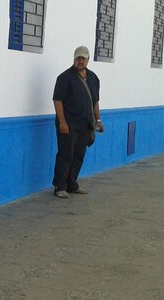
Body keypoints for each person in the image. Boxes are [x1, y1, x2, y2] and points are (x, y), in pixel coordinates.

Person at [52, 45, 104, 199]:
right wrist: (62, 122)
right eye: (77, 58)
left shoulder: (94, 78)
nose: (80, 61)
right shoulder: (65, 77)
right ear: (74, 59)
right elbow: (58, 100)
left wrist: (98, 120)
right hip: (68, 125)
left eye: (83, 58)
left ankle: (71, 184)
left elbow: (95, 101)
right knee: (65, 155)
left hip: (85, 125)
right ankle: (59, 186)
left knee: (78, 156)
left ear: (88, 59)